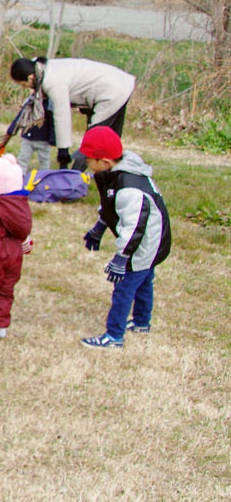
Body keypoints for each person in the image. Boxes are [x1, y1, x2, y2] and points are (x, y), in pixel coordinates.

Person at [78, 126, 171, 348]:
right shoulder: (113, 175)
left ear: (105, 161)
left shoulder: (130, 188)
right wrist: (99, 228)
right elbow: (111, 207)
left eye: (90, 161)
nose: (87, 164)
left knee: (125, 287)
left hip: (145, 244)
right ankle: (141, 322)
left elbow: (135, 227)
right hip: (148, 242)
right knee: (145, 279)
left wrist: (122, 259)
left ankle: (114, 336)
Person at [9, 56, 135, 169]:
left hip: (110, 91)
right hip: (120, 83)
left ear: (30, 78)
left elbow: (61, 116)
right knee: (111, 139)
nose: (26, 88)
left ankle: (72, 179)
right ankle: (114, 174)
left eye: (24, 84)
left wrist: (63, 153)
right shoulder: (44, 67)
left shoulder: (51, 81)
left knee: (93, 141)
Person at [0, 154, 32, 338]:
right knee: (6, 289)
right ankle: (0, 324)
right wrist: (26, 242)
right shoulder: (20, 206)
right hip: (14, 255)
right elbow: (23, 232)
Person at [4, 89, 55, 175]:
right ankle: (20, 176)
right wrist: (11, 130)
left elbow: (53, 123)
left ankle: (43, 177)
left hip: (43, 140)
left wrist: (52, 139)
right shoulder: (29, 103)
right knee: (23, 158)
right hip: (28, 137)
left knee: (44, 160)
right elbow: (20, 117)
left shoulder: (48, 106)